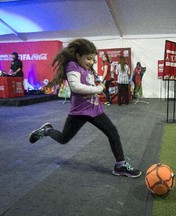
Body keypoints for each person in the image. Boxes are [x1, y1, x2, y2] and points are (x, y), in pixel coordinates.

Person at [28, 39, 141, 178]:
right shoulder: (72, 66)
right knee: (64, 139)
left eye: (93, 59)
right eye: (88, 58)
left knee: (112, 132)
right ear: (77, 56)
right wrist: (97, 88)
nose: (91, 62)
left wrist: (97, 83)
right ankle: (46, 130)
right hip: (79, 112)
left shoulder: (86, 68)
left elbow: (87, 82)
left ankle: (120, 166)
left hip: (94, 110)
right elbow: (76, 87)